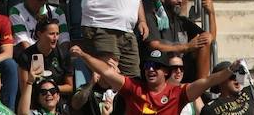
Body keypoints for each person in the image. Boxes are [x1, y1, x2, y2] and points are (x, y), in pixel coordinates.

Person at [72, 45, 236, 115]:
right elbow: (107, 71)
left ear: (166, 71)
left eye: (156, 66)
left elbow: (207, 82)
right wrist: (83, 55)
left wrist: (230, 70)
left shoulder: (178, 93)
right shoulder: (133, 88)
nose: (150, 69)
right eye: (148, 65)